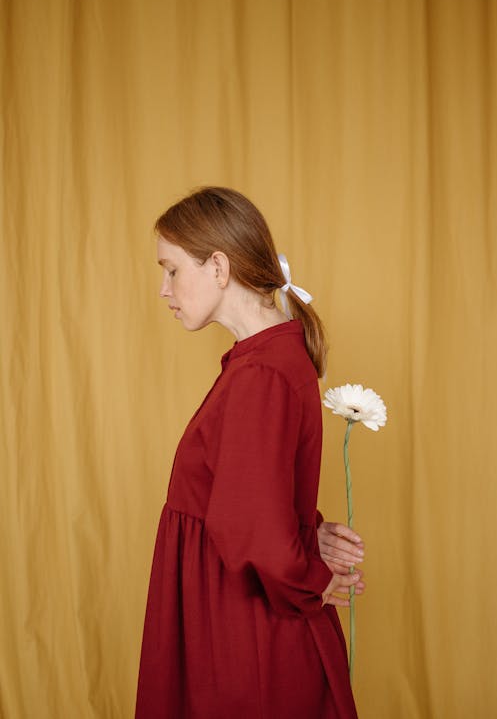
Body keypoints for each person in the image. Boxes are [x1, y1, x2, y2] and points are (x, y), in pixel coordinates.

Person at [135, 187, 365, 719]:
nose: (162, 288)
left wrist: (309, 574)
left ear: (218, 265)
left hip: (238, 624)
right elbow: (257, 493)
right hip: (229, 607)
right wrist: (306, 531)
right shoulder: (264, 360)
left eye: (171, 270)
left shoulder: (260, 372)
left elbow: (249, 525)